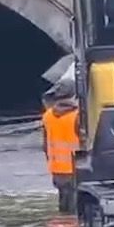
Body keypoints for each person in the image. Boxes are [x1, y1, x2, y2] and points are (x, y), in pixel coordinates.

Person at [41, 86, 80, 214]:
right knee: (76, 209)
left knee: (63, 204)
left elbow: (45, 144)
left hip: (57, 169)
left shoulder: (47, 116)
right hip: (75, 168)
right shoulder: (77, 116)